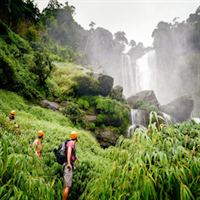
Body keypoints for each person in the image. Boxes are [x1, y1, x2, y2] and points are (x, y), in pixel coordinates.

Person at [63, 131, 78, 200]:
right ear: (76, 137)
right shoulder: (71, 143)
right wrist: (69, 164)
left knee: (66, 185)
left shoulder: (70, 143)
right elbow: (69, 152)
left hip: (67, 165)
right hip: (68, 166)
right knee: (67, 186)